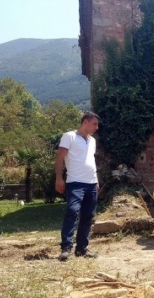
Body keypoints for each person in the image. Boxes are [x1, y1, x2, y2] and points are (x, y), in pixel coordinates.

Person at [55, 111, 100, 261]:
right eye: (94, 124)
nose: (96, 127)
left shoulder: (92, 141)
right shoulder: (69, 136)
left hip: (91, 183)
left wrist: (97, 181)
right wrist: (59, 178)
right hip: (75, 183)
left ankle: (82, 248)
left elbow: (90, 161)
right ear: (85, 122)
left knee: (88, 216)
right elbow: (60, 157)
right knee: (72, 212)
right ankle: (66, 247)